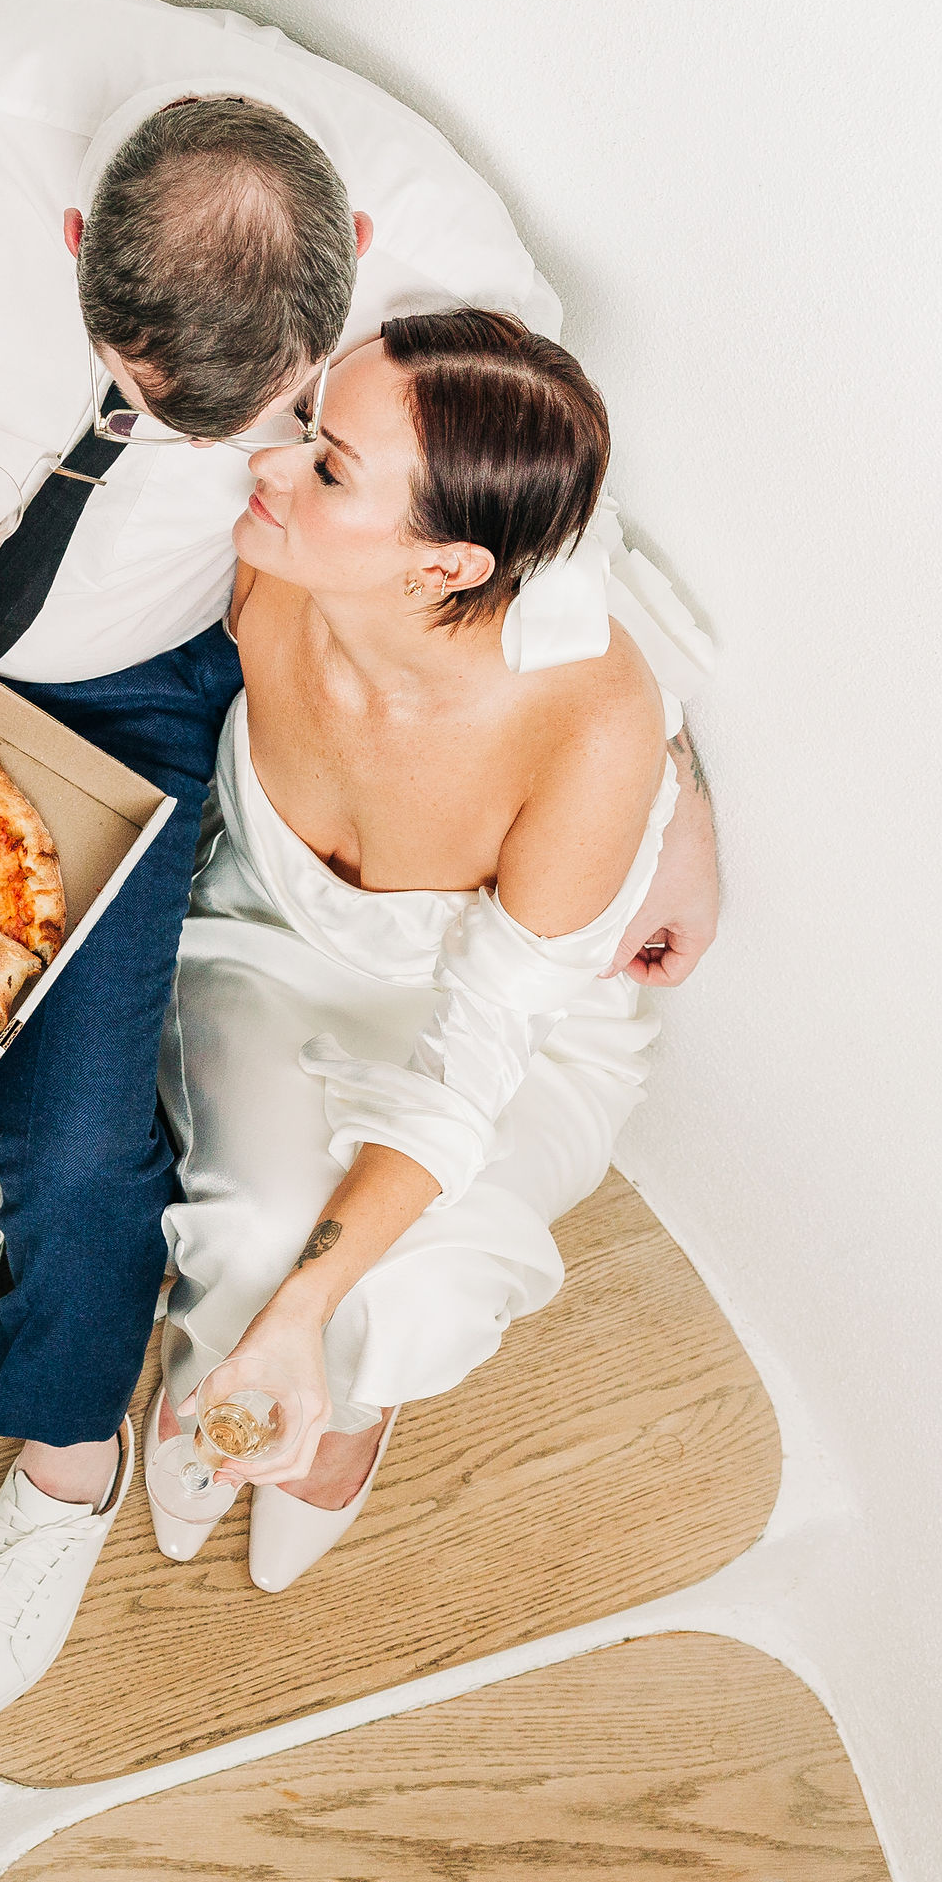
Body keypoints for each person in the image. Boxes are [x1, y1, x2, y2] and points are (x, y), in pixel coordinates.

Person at [0, 0, 723, 1721]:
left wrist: (674, 810)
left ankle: (68, 1453)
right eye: (156, 406)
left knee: (97, 1145)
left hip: (145, 689)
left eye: (280, 433)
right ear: (77, 235)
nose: (237, 466)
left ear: (361, 270)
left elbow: (550, 549)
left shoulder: (433, 324)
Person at [148, 312, 671, 1584]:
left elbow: (468, 1065)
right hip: (265, 944)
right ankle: (226, 1361)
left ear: (444, 567)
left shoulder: (588, 728)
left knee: (414, 1289)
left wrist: (310, 1310)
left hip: (503, 1039)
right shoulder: (272, 554)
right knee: (253, 1226)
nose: (272, 465)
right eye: (311, 428)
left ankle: (336, 1421)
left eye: (327, 466)